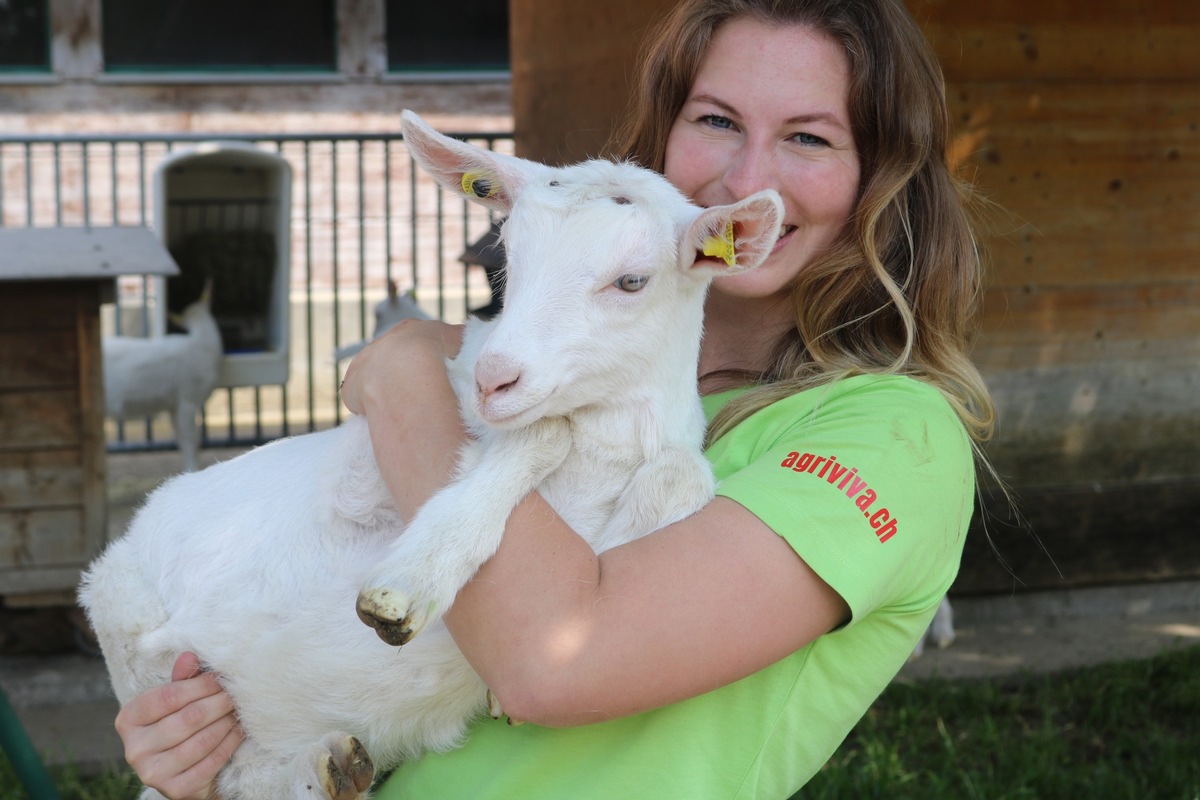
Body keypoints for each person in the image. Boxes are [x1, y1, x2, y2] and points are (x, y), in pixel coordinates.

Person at [112, 0, 996, 797]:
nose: (742, 176)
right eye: (717, 119)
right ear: (662, 134)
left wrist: (404, 371)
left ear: (878, 177)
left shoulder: (893, 437)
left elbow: (550, 666)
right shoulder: (544, 371)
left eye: (809, 137)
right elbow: (383, 635)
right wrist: (214, 738)